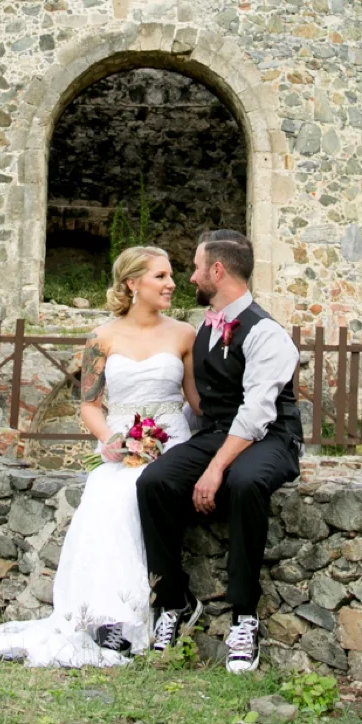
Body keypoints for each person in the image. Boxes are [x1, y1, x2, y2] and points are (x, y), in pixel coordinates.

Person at [0, 246, 198, 666]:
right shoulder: (102, 337)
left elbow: (196, 401)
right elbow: (90, 405)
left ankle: (160, 608)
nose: (171, 283)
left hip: (173, 440)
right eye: (161, 277)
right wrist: (111, 439)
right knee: (106, 499)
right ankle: (110, 619)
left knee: (141, 493)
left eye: (170, 276)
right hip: (121, 440)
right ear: (133, 283)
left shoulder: (184, 334)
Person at [136, 229, 302, 675]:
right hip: (217, 432)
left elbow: (255, 414)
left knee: (245, 482)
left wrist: (212, 470)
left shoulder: (267, 334)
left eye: (195, 266)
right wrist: (172, 450)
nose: (189, 276)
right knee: (154, 481)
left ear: (218, 269)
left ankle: (244, 617)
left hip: (271, 437)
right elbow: (206, 404)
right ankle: (174, 602)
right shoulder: (207, 324)